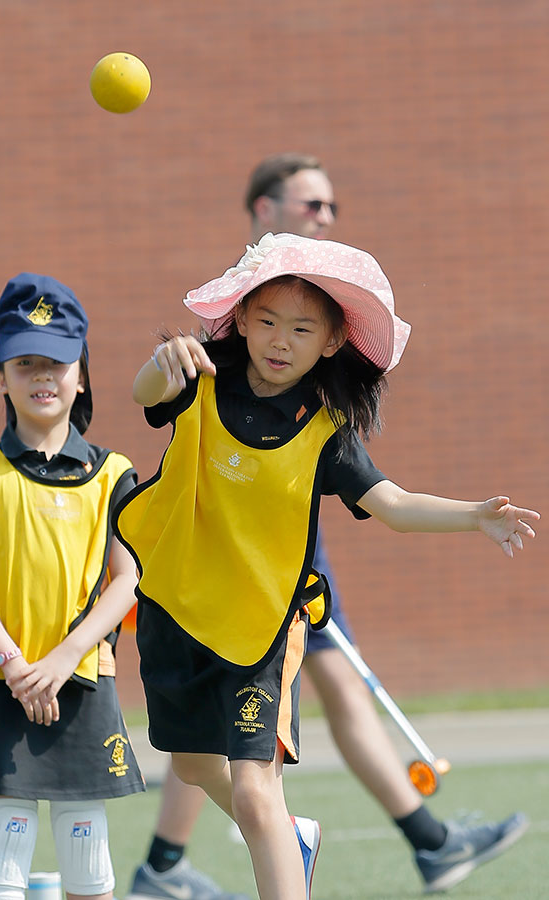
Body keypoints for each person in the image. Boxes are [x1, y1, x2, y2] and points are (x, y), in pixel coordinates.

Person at [126, 153, 533, 899]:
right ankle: (291, 838)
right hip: (174, 609)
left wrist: (472, 516)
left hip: (260, 626)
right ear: (242, 318)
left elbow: (394, 504)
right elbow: (143, 393)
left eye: (303, 329)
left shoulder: (327, 430)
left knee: (254, 790)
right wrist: (164, 359)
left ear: (331, 342)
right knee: (187, 763)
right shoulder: (202, 381)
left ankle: (282, 851)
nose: (282, 340)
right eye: (269, 320)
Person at [0, 274, 145, 900]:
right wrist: (12, 663)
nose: (42, 376)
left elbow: (127, 580)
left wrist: (59, 662)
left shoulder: (114, 474)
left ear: (82, 375)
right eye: (25, 361)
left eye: (58, 362)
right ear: (1, 375)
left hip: (82, 678)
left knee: (86, 839)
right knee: (3, 838)